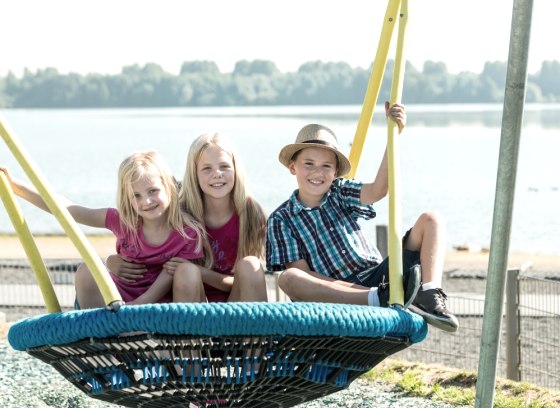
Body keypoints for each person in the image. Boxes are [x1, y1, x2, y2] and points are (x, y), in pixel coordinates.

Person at [266, 102, 459, 333]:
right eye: (309, 164)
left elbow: (379, 189)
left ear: (335, 173)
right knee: (289, 278)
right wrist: (363, 293)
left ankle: (429, 293)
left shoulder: (339, 192)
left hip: (380, 277)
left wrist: (393, 135)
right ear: (292, 167)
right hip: (337, 293)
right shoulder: (281, 218)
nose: (318, 172)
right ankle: (378, 299)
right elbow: (304, 275)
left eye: (326, 166)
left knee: (432, 219)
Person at [1, 150, 207, 308]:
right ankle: (99, 346)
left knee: (183, 271)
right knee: (86, 271)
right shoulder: (121, 221)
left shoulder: (187, 232)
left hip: (160, 305)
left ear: (169, 187)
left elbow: (172, 273)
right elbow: (68, 209)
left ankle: (179, 354)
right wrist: (16, 187)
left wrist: (141, 304)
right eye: (136, 195)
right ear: (127, 198)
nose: (147, 201)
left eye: (153, 191)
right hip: (119, 301)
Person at [106, 132, 268, 302]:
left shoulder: (251, 213)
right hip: (193, 302)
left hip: (236, 304)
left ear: (236, 168)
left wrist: (203, 273)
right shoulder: (180, 213)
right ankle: (186, 329)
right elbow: (154, 262)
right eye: (207, 168)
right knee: (186, 272)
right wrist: (110, 262)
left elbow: (248, 281)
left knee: (250, 265)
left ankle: (258, 328)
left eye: (225, 166)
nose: (217, 174)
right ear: (194, 173)